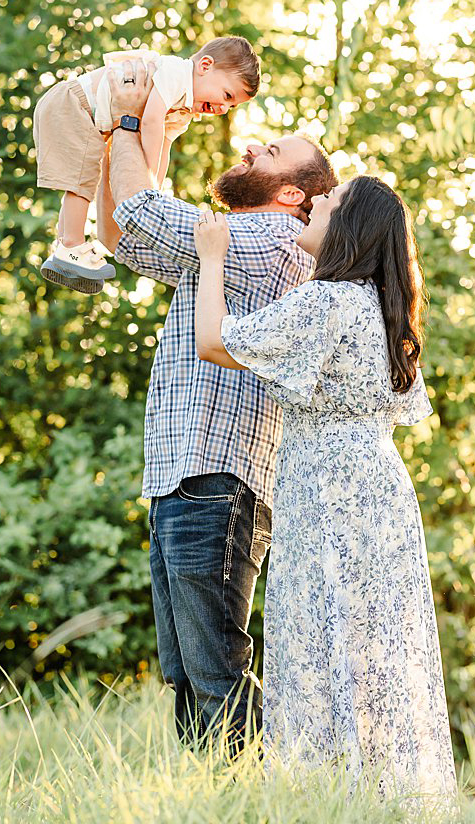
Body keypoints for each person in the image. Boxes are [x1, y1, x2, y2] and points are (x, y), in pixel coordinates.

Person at [193, 176, 455, 798]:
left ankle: (327, 792)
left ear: (349, 228)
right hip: (382, 488)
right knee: (379, 645)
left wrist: (210, 258)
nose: (315, 204)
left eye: (329, 204)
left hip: (326, 491)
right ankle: (386, 795)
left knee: (319, 631)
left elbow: (212, 341)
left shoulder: (327, 302)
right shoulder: (386, 311)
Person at [103, 106, 340, 752]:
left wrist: (127, 116)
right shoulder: (223, 246)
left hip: (216, 480)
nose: (254, 145)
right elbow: (122, 237)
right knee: (188, 673)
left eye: (273, 150)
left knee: (216, 672)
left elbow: (143, 211)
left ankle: (251, 803)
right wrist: (109, 149)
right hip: (186, 476)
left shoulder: (267, 242)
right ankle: (207, 800)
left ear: (291, 193)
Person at [32, 39, 261, 292]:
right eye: (226, 95)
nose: (223, 108)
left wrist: (153, 191)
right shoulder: (175, 73)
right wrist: (144, 182)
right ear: (205, 66)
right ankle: (71, 245)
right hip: (74, 104)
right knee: (82, 180)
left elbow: (163, 146)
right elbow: (151, 123)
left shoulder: (183, 111)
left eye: (232, 106)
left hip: (80, 113)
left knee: (83, 179)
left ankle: (64, 247)